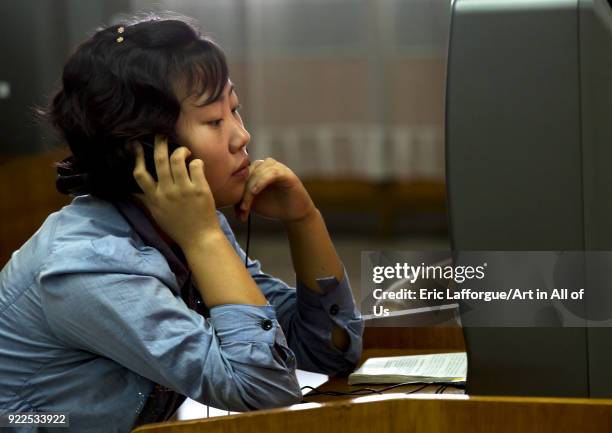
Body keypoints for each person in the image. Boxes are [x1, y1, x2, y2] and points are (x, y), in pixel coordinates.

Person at [0, 13, 363, 433]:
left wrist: (305, 221)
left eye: (235, 110)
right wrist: (204, 237)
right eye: (213, 121)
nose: (241, 136)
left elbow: (325, 352)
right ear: (149, 149)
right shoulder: (87, 264)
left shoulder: (183, 222)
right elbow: (263, 389)